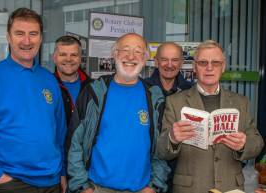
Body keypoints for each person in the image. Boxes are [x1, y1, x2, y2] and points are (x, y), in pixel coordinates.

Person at [0, 8, 67, 193]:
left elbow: (60, 132)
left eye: (33, 34)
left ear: (41, 38)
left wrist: (62, 171)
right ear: (8, 37)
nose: (27, 41)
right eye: (19, 33)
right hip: (13, 183)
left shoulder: (49, 80)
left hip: (52, 182)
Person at [67, 33, 170, 193]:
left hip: (141, 189)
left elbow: (161, 148)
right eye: (125, 50)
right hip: (98, 188)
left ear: (145, 58)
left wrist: (154, 186)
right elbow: (74, 143)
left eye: (138, 51)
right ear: (115, 54)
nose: (131, 56)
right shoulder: (94, 92)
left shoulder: (155, 97)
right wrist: (82, 186)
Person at [157, 40, 264, 193]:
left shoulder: (241, 102)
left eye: (215, 62)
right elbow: (161, 150)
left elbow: (257, 143)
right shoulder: (175, 101)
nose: (209, 68)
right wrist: (172, 138)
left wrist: (243, 145)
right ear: (194, 67)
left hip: (231, 187)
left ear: (223, 67)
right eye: (202, 62)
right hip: (190, 188)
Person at [145, 42, 192, 193]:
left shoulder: (192, 91)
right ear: (156, 62)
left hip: (182, 171)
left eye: (175, 60)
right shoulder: (142, 89)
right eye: (164, 59)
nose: (169, 65)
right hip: (148, 170)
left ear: (182, 63)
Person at [53, 35, 91, 151]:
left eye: (74, 55)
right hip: (56, 158)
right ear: (54, 58)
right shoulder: (46, 87)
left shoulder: (93, 88)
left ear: (80, 58)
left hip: (85, 158)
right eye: (63, 54)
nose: (68, 59)